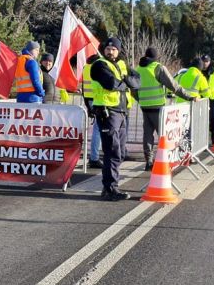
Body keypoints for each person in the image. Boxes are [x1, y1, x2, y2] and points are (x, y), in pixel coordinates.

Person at [90, 36, 140, 200]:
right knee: (112, 151)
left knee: (119, 153)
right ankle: (110, 189)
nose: (110, 51)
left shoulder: (122, 64)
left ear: (118, 50)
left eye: (113, 49)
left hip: (122, 112)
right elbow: (111, 83)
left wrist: (124, 81)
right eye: (108, 49)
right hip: (108, 112)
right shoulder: (99, 65)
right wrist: (126, 82)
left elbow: (137, 81)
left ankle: (110, 187)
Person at [137, 47, 194, 169]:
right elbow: (174, 86)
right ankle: (165, 161)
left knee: (147, 135)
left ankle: (149, 161)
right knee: (164, 135)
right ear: (156, 57)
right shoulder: (158, 68)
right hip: (158, 108)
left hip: (144, 107)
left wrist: (141, 99)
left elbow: (133, 90)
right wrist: (189, 97)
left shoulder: (138, 69)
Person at [82, 52, 103, 168]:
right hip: (98, 99)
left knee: (98, 128)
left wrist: (87, 104)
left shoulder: (86, 67)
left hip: (90, 100)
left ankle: (94, 156)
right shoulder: (99, 65)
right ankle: (94, 157)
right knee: (98, 129)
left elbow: (83, 87)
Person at [201, 54, 214, 146]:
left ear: (209, 62)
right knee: (202, 120)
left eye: (207, 62)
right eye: (204, 61)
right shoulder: (199, 72)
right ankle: (202, 141)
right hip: (201, 99)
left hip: (213, 99)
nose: (205, 63)